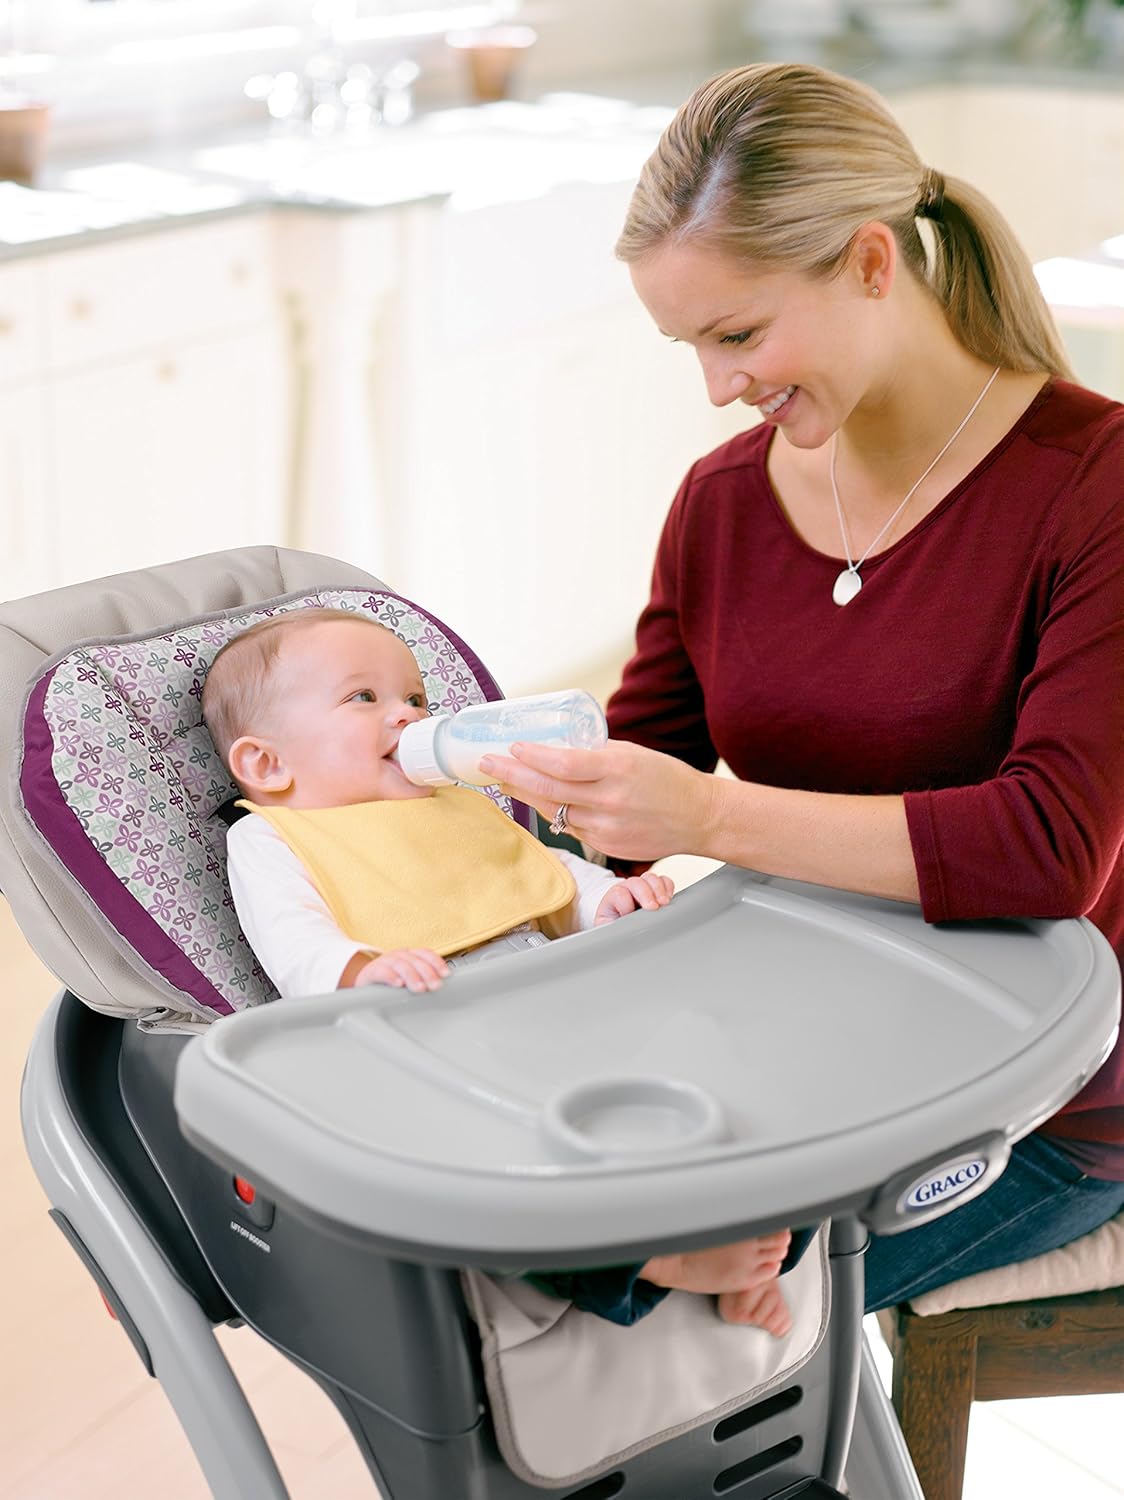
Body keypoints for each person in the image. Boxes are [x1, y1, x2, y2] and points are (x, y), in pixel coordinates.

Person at [478, 61, 1124, 1313]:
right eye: (690, 347)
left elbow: (1050, 848)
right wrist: (440, 779)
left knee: (611, 1300)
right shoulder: (722, 502)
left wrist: (708, 819)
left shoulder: (1090, 487)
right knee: (469, 1194)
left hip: (1038, 1093)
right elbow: (629, 778)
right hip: (807, 1041)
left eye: (736, 333)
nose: (719, 389)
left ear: (871, 263)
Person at [202, 606, 810, 1333]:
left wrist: (610, 901)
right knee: (489, 1186)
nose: (405, 715)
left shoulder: (459, 806)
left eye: (417, 699)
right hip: (438, 1046)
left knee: (723, 1083)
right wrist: (363, 969)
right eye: (365, 698)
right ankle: (653, 1265)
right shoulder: (274, 839)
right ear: (267, 764)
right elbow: (294, 943)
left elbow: (547, 878)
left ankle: (765, 1231)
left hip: (570, 1015)